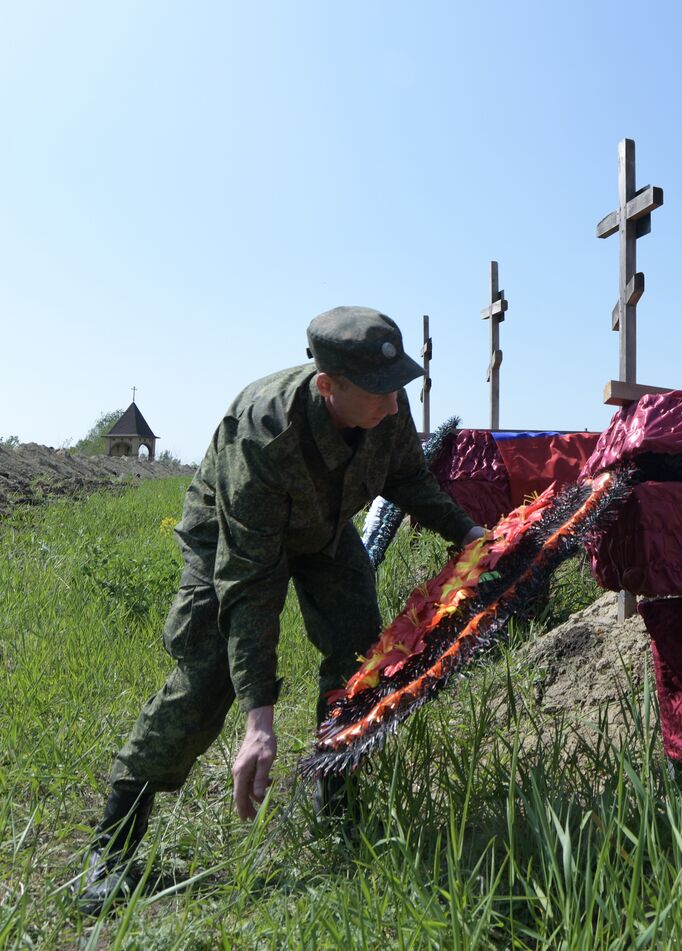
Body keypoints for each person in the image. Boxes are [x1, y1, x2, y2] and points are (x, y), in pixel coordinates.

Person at [78, 306, 481, 912]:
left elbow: (408, 480)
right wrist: (258, 720)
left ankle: (336, 798)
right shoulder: (264, 432)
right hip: (231, 536)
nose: (396, 406)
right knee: (207, 675)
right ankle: (109, 848)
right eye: (380, 392)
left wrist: (470, 535)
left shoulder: (385, 400)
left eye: (399, 385)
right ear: (328, 386)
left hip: (324, 527)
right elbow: (249, 582)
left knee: (358, 656)